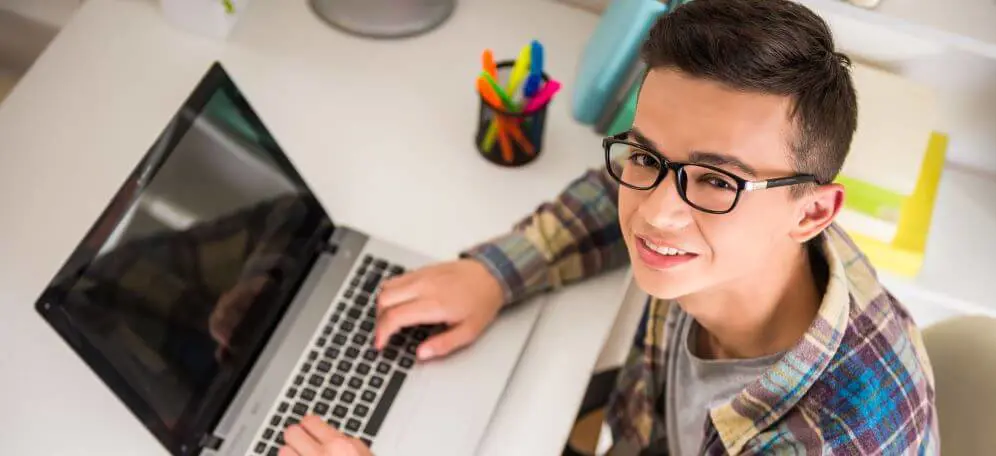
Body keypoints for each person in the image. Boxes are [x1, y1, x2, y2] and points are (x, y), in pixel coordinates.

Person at [279, 0, 938, 454]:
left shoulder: (836, 440)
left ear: (813, 211)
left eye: (716, 181)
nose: (655, 211)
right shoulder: (747, 242)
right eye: (647, 156)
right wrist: (492, 274)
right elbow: (613, 187)